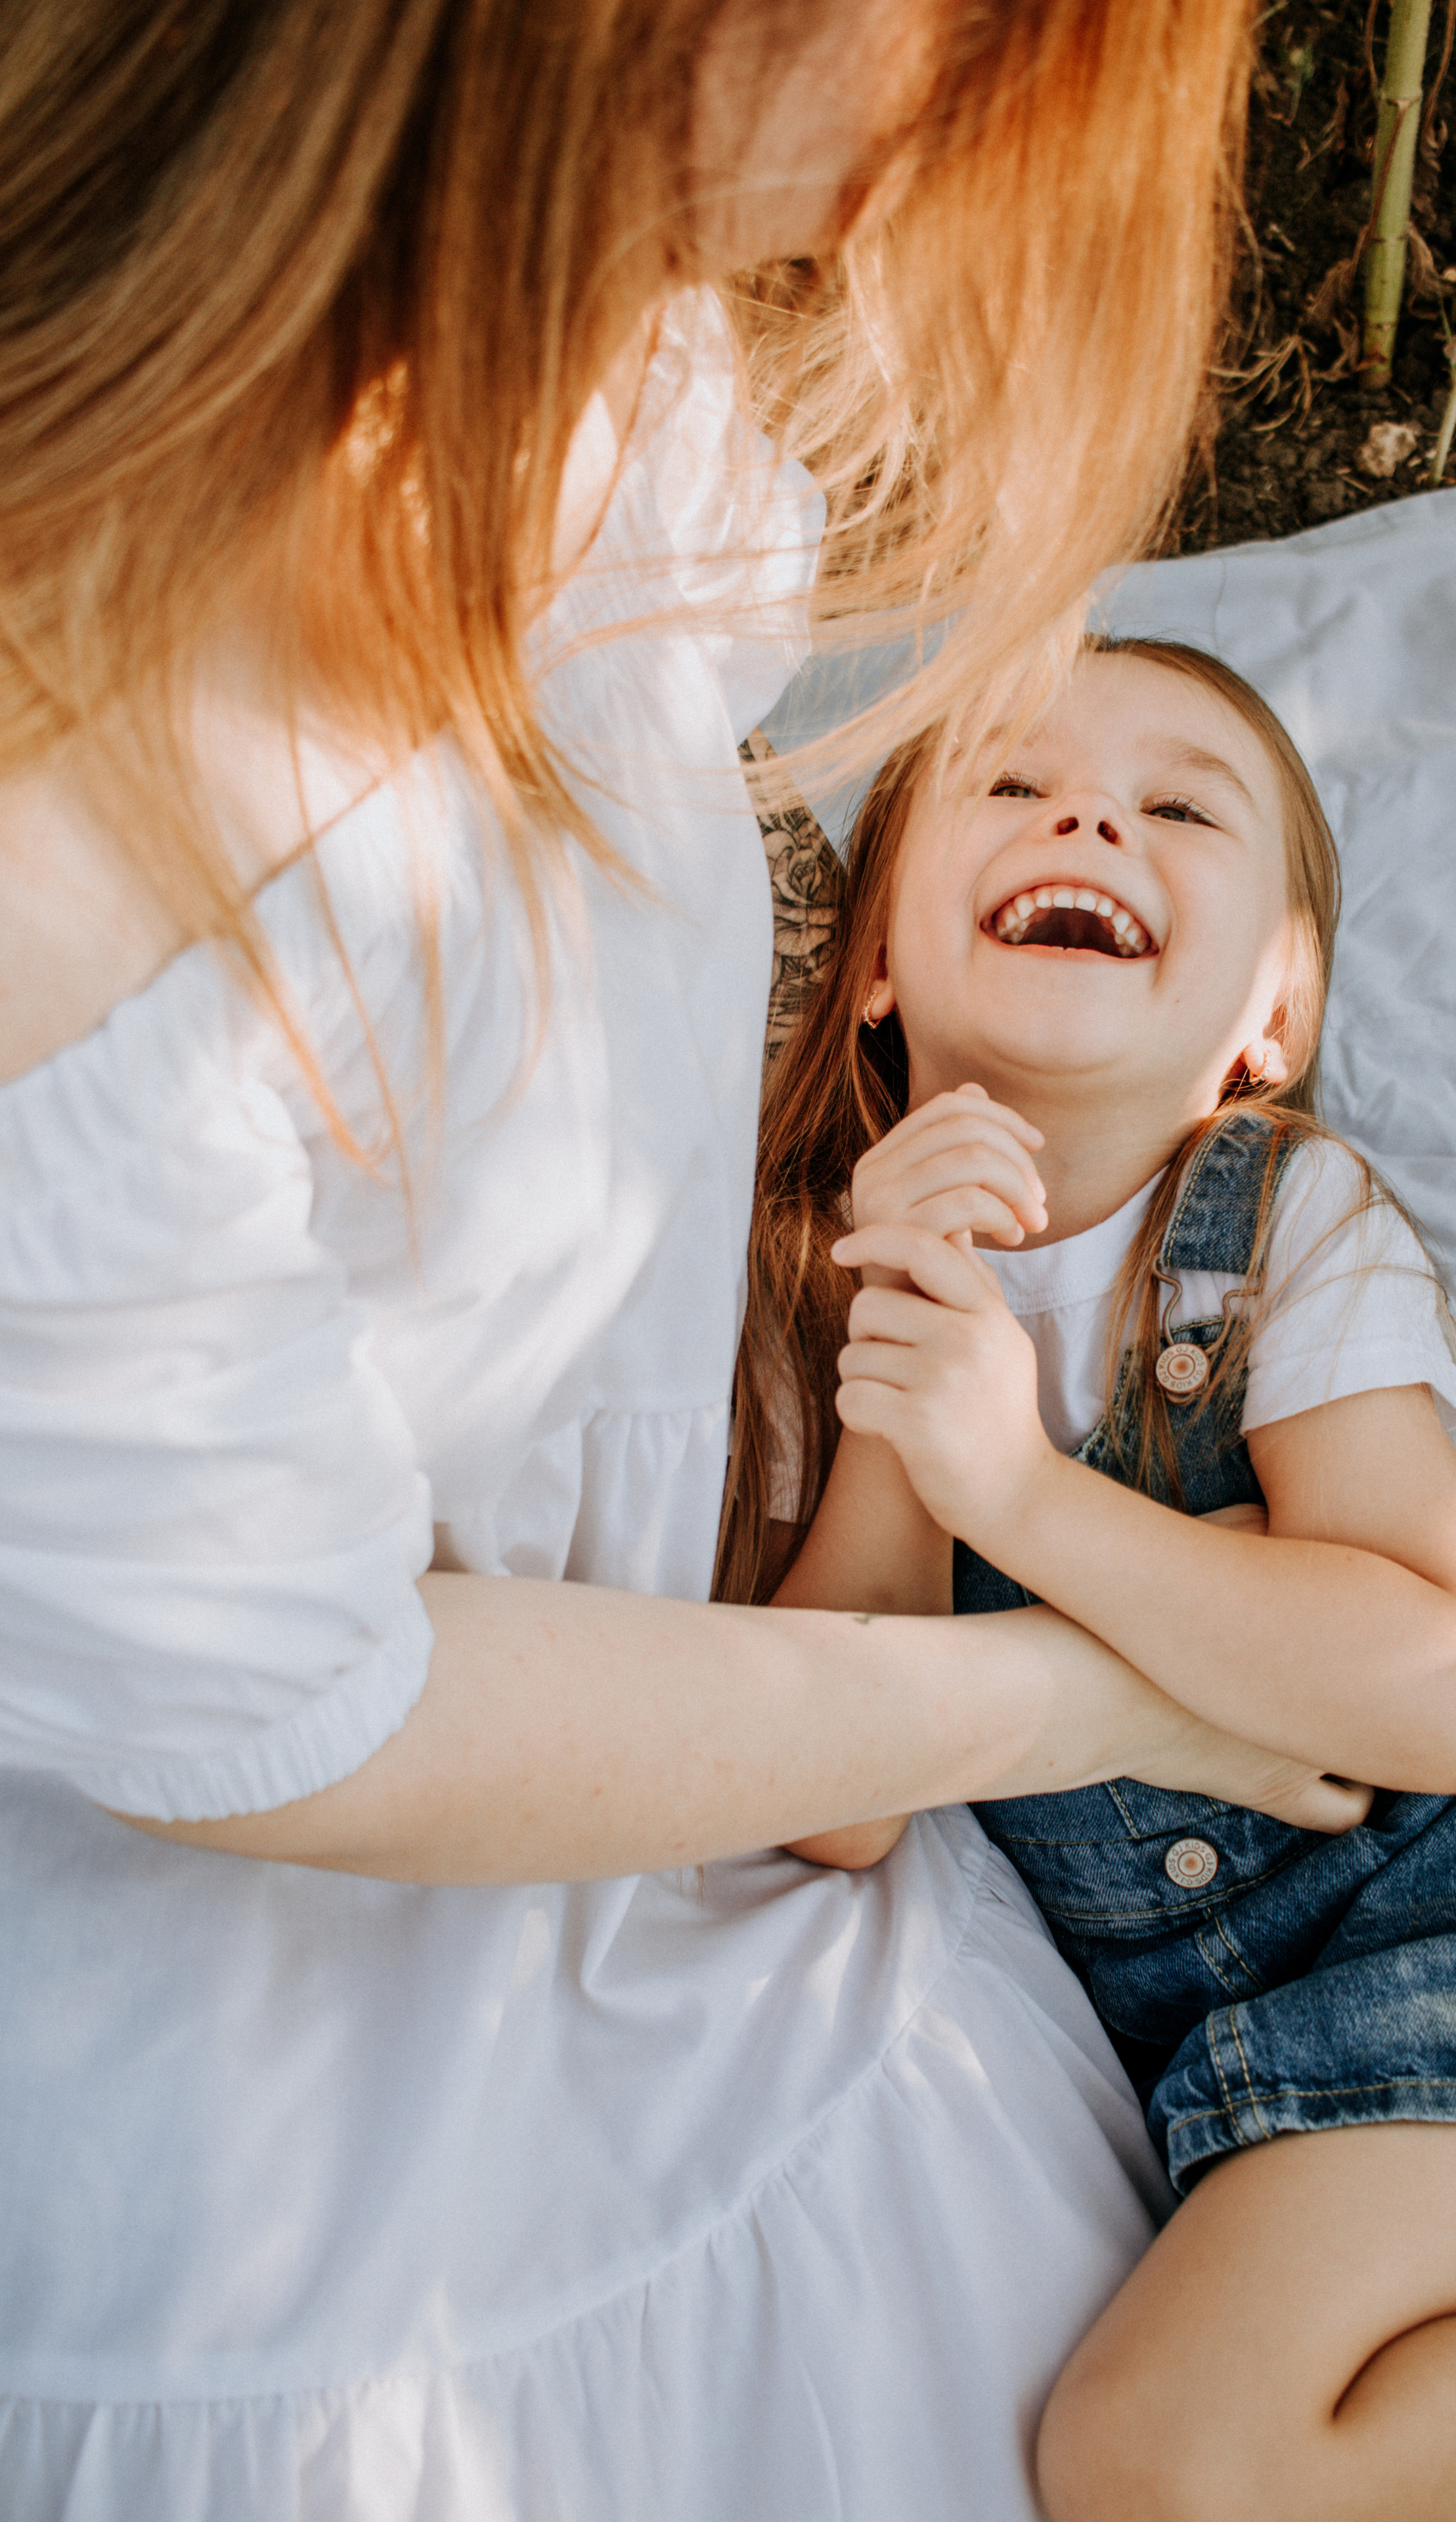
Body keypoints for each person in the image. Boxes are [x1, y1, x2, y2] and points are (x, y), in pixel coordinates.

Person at [0, 5, 1378, 2517]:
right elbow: (326, 1726)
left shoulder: (557, 336)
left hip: (712, 1779)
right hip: (310, 2060)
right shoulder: (62, 879)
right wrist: (1079, 1693)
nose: (964, 157)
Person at [726, 635, 1456, 2522]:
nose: (1088, 813)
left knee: (1157, 2461)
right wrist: (909, 1380)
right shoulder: (809, 1288)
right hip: (1239, 2080)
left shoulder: (1275, 1222)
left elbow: (1435, 1687)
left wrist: (1019, 1481)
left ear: (1272, 1005)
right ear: (886, 965)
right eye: (1008, 786)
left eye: (1178, 807)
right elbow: (829, 1811)